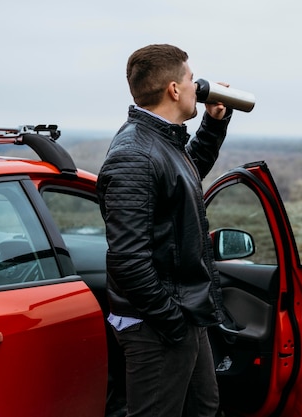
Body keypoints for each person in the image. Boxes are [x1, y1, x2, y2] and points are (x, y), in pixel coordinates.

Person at [97, 43, 233, 417]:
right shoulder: (134, 154)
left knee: (203, 407)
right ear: (174, 89)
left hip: (181, 314)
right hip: (157, 324)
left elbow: (183, 181)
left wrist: (214, 122)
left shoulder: (160, 141)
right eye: (191, 78)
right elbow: (127, 260)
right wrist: (173, 322)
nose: (197, 85)